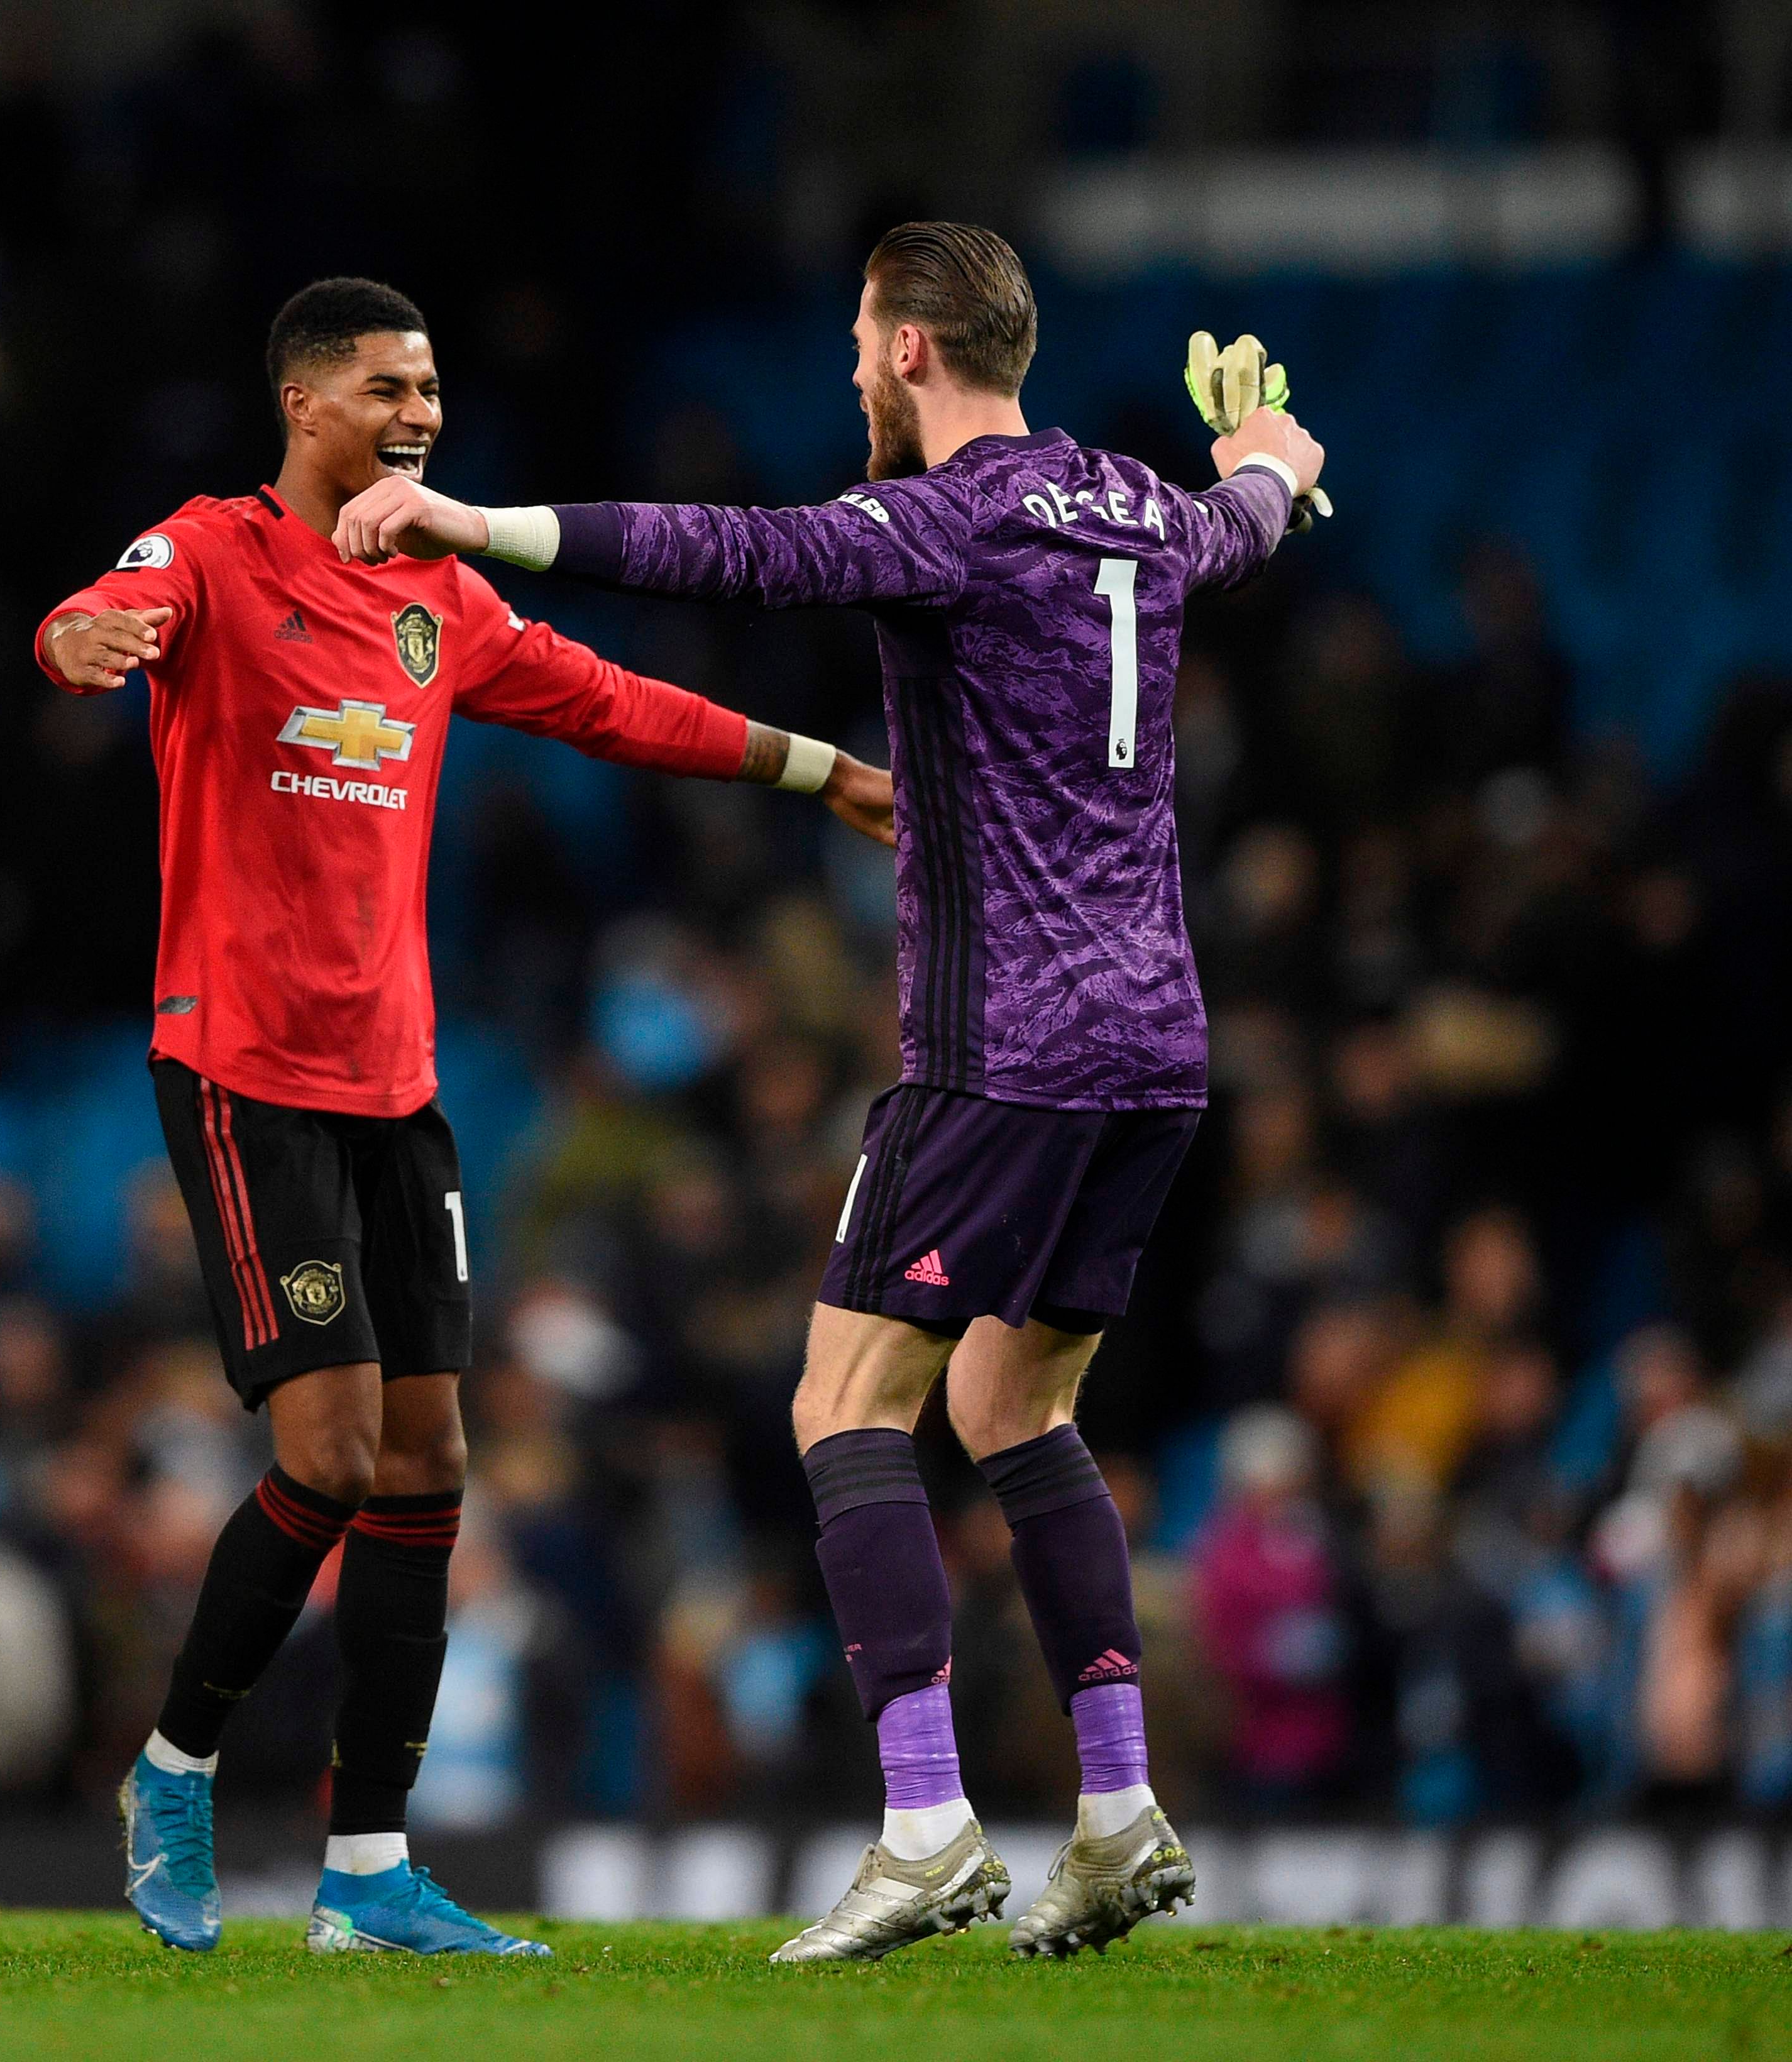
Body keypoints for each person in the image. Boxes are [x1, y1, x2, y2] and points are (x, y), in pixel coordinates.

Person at [335, 222, 1324, 1962]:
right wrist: (1271, 461)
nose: (851, 371)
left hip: (1000, 1050)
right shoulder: (1139, 509)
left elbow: (731, 550)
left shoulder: (945, 520)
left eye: (864, 343)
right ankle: (1116, 1812)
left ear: (919, 351)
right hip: (1159, 1051)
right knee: (1018, 1411)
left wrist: (468, 523)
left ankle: (929, 1823)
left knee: (844, 1409)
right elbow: (1245, 520)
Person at [36, 277, 889, 1957]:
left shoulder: (437, 586)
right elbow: (91, 611)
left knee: (431, 1461)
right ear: (302, 404)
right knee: (330, 1453)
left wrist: (816, 767)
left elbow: (612, 700)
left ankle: (368, 1870)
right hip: (242, 1070)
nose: (420, 413)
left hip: (399, 1087)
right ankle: (172, 1766)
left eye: (431, 386)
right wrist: (81, 642)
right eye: (384, 387)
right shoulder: (206, 554)